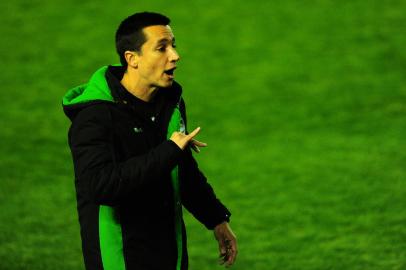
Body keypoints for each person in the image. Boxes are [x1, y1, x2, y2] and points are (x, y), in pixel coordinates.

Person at [62, 12, 237, 270]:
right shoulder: (95, 117)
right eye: (161, 48)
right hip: (120, 258)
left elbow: (182, 170)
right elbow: (100, 185)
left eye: (173, 45)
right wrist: (170, 150)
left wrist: (217, 220)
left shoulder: (170, 103)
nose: (175, 56)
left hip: (170, 253)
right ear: (132, 58)